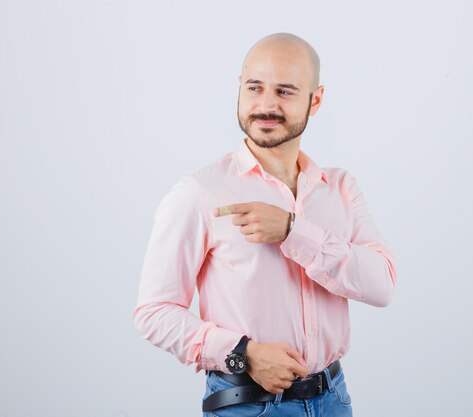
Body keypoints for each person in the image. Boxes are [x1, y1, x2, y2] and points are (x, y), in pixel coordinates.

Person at [132, 32, 397, 416]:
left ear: (315, 100)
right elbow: (154, 311)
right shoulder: (199, 193)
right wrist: (242, 354)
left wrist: (294, 232)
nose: (266, 105)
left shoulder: (339, 188)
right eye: (255, 88)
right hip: (248, 405)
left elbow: (382, 285)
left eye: (285, 92)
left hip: (333, 398)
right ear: (239, 89)